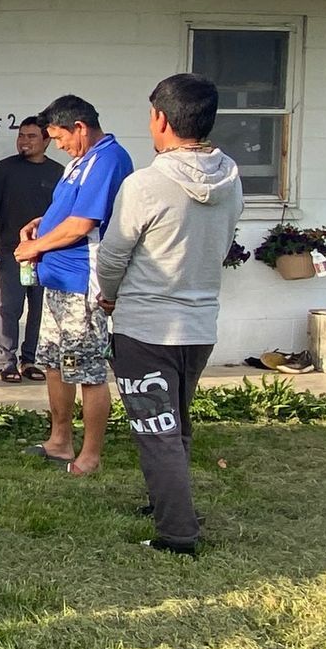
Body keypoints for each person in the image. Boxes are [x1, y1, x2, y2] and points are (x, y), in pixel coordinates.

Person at [96, 74, 243, 555]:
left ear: (161, 119)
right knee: (174, 421)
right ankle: (167, 501)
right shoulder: (232, 177)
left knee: (156, 430)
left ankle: (178, 533)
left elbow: (113, 254)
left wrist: (109, 296)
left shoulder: (146, 183)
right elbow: (221, 246)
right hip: (200, 326)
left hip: (147, 327)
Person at [14, 94, 134, 478]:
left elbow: (84, 224)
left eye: (60, 138)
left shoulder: (108, 159)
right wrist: (41, 222)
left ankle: (90, 453)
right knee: (53, 363)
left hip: (84, 283)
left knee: (88, 369)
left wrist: (36, 244)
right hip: (58, 281)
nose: (60, 146)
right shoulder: (80, 162)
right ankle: (59, 439)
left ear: (79, 127)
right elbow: (67, 210)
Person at [0, 116, 63, 383]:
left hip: (46, 254)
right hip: (12, 253)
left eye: (31, 136)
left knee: (39, 308)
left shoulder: (58, 173)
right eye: (21, 136)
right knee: (10, 307)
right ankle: (7, 362)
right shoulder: (4, 169)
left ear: (47, 140)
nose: (24, 141)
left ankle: (30, 360)